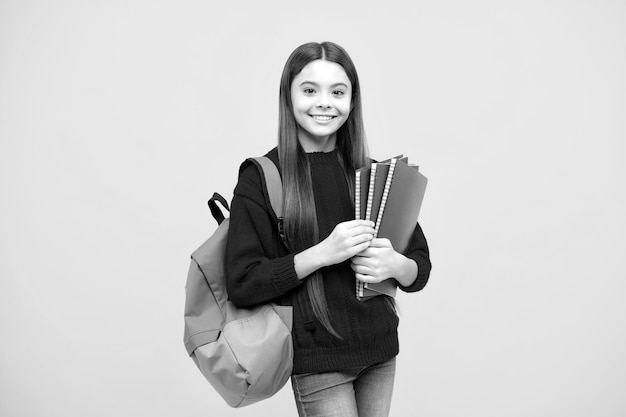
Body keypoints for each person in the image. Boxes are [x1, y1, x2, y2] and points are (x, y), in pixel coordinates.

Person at [225, 41, 431, 417]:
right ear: (288, 96)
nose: (324, 102)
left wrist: (395, 266)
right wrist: (322, 253)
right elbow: (243, 282)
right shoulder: (261, 178)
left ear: (352, 101)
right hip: (318, 360)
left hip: (380, 352)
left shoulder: (373, 174)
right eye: (309, 90)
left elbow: (419, 266)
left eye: (338, 92)